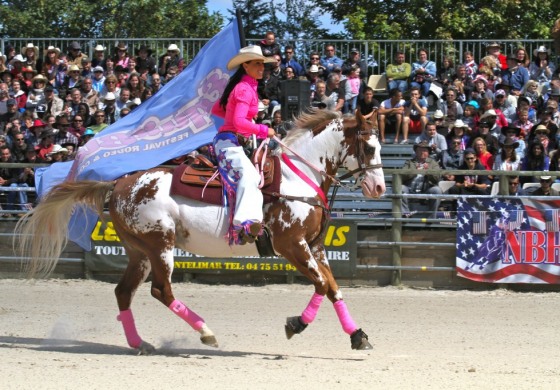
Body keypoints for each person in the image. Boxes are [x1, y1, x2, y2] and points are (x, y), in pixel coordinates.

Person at [210, 45, 276, 245]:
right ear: (245, 65)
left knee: (255, 176)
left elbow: (217, 109)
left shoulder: (245, 87)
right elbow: (238, 123)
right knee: (249, 176)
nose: (262, 67)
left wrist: (240, 116)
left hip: (233, 141)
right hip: (228, 142)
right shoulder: (244, 89)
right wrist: (264, 130)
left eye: (262, 64)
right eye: (257, 63)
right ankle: (243, 225)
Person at [401, 141, 442, 218]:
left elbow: (437, 178)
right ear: (416, 152)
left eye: (425, 150)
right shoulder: (409, 162)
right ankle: (405, 215)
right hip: (410, 188)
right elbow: (402, 176)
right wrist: (414, 171)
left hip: (427, 189)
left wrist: (428, 172)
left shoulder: (433, 163)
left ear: (428, 152)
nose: (422, 152)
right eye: (419, 150)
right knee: (400, 188)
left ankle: (431, 218)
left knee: (437, 190)